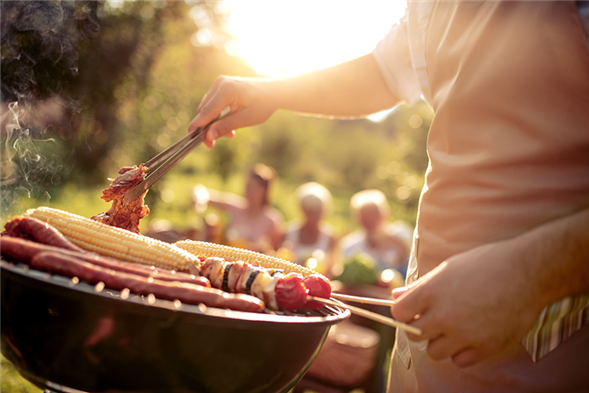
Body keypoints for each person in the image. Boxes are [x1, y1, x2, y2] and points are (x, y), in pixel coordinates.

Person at [186, 1, 589, 391]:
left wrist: (531, 274)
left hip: (544, 343)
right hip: (423, 343)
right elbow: (386, 71)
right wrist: (272, 90)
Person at [192, 163, 284, 253]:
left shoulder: (273, 220)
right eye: (247, 186)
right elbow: (202, 193)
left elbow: (276, 254)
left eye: (253, 187)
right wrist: (198, 200)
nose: (247, 191)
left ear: (264, 191)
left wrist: (263, 249)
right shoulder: (235, 206)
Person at [341, 189, 411, 278]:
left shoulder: (401, 232)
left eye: (374, 214)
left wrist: (386, 238)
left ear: (384, 214)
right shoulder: (349, 245)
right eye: (365, 216)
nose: (370, 220)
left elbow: (410, 259)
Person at [282, 182, 338, 276]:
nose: (313, 216)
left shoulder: (331, 237)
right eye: (310, 211)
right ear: (302, 210)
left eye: (317, 211)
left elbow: (333, 268)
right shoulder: (287, 232)